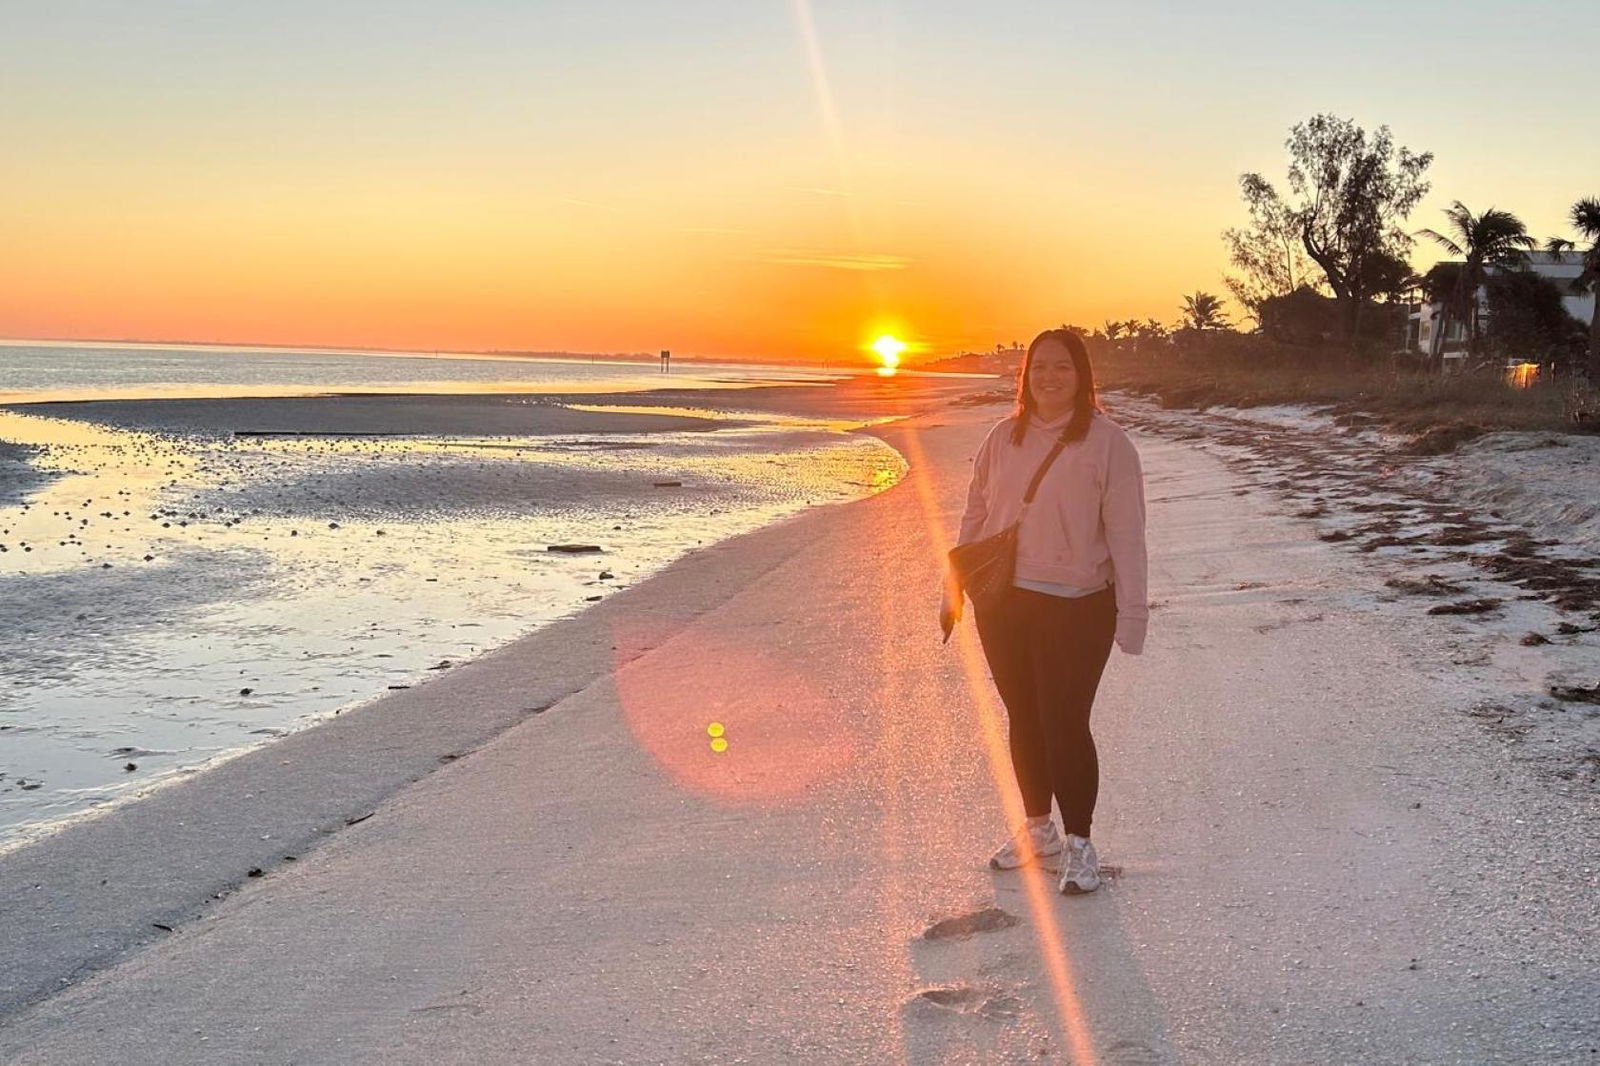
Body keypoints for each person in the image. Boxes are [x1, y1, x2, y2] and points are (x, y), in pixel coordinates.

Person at [940, 328, 1147, 895]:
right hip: (1004, 601)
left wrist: (1133, 613)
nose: (1049, 378)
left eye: (1062, 367)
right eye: (1039, 368)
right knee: (1023, 718)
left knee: (1064, 723)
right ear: (1025, 376)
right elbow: (976, 517)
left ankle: (1080, 844)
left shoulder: (1109, 444)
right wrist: (954, 585)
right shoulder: (1002, 437)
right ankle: (1038, 830)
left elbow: (1128, 535)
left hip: (1079, 606)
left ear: (1082, 376)